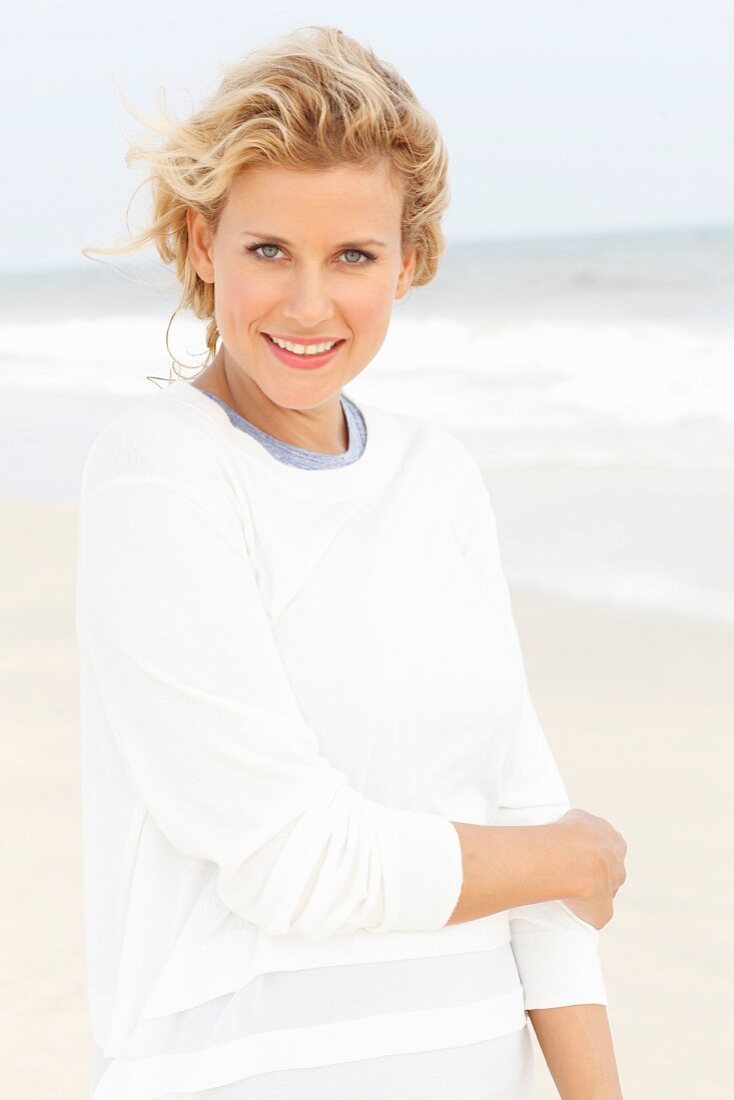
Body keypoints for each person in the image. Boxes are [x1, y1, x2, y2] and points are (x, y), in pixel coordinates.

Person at [76, 24, 627, 1100]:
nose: (307, 304)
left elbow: (525, 814)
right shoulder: (160, 472)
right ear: (201, 244)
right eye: (267, 249)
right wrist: (564, 857)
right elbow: (295, 861)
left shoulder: (438, 476)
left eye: (353, 256)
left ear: (408, 262)